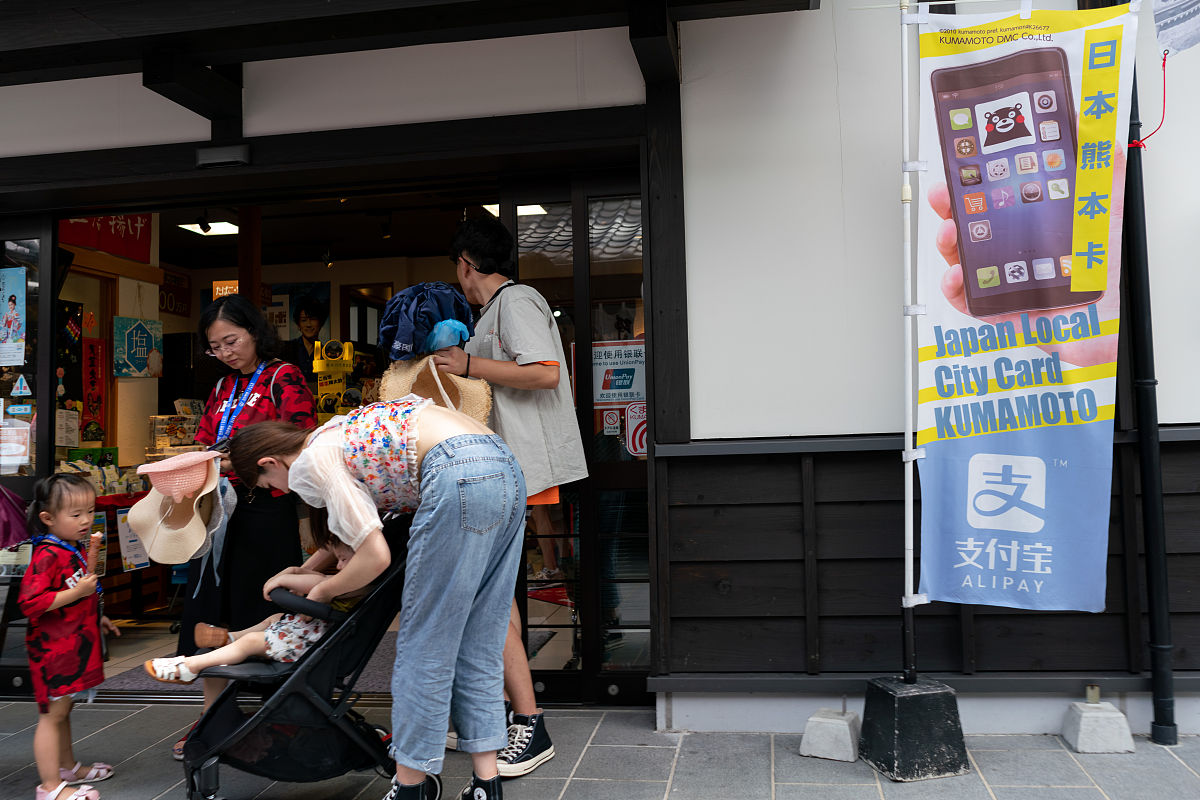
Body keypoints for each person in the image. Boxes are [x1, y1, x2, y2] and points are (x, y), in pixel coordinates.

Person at [227, 398, 526, 800]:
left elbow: (374, 555)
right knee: (481, 639)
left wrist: (323, 589)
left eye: (270, 486)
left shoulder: (314, 460)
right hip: (503, 464)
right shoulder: (335, 433)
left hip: (456, 471)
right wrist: (306, 569)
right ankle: (486, 785)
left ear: (270, 463)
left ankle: (410, 787)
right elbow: (359, 526)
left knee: (424, 647)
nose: (281, 492)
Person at [433, 216, 588, 777]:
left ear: (466, 264)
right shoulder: (494, 312)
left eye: (457, 265)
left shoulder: (518, 301)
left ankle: (527, 722)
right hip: (504, 468)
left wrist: (469, 364)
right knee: (495, 596)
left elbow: (546, 374)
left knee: (491, 597)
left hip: (521, 465)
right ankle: (499, 718)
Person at [174, 293, 317, 759]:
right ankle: (216, 720)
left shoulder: (283, 376)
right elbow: (201, 438)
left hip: (263, 507)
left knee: (258, 611)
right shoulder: (220, 388)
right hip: (219, 512)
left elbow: (300, 435)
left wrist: (234, 451)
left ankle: (278, 717)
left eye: (231, 341)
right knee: (209, 611)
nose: (225, 352)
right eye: (215, 347)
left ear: (254, 332)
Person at [19, 473, 120, 800]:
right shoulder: (48, 554)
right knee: (52, 715)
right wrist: (77, 593)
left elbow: (77, 596)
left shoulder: (70, 549)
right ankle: (49, 787)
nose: (86, 520)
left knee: (64, 711)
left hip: (72, 645)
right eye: (75, 515)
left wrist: (97, 616)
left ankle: (67, 768)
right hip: (53, 650)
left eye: (89, 511)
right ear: (47, 518)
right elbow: (31, 603)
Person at [144, 534, 363, 685]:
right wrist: (296, 570)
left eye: (343, 559)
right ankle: (227, 638)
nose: (340, 566)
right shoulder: (348, 580)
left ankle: (189, 667)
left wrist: (283, 579)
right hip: (311, 633)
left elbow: (319, 583)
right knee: (274, 618)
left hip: (317, 644)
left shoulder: (358, 585)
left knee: (251, 642)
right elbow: (319, 578)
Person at [280, 292, 329, 385]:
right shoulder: (286, 349)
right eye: (303, 320)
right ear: (298, 324)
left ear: (321, 323)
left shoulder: (327, 354)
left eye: (313, 319)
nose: (308, 324)